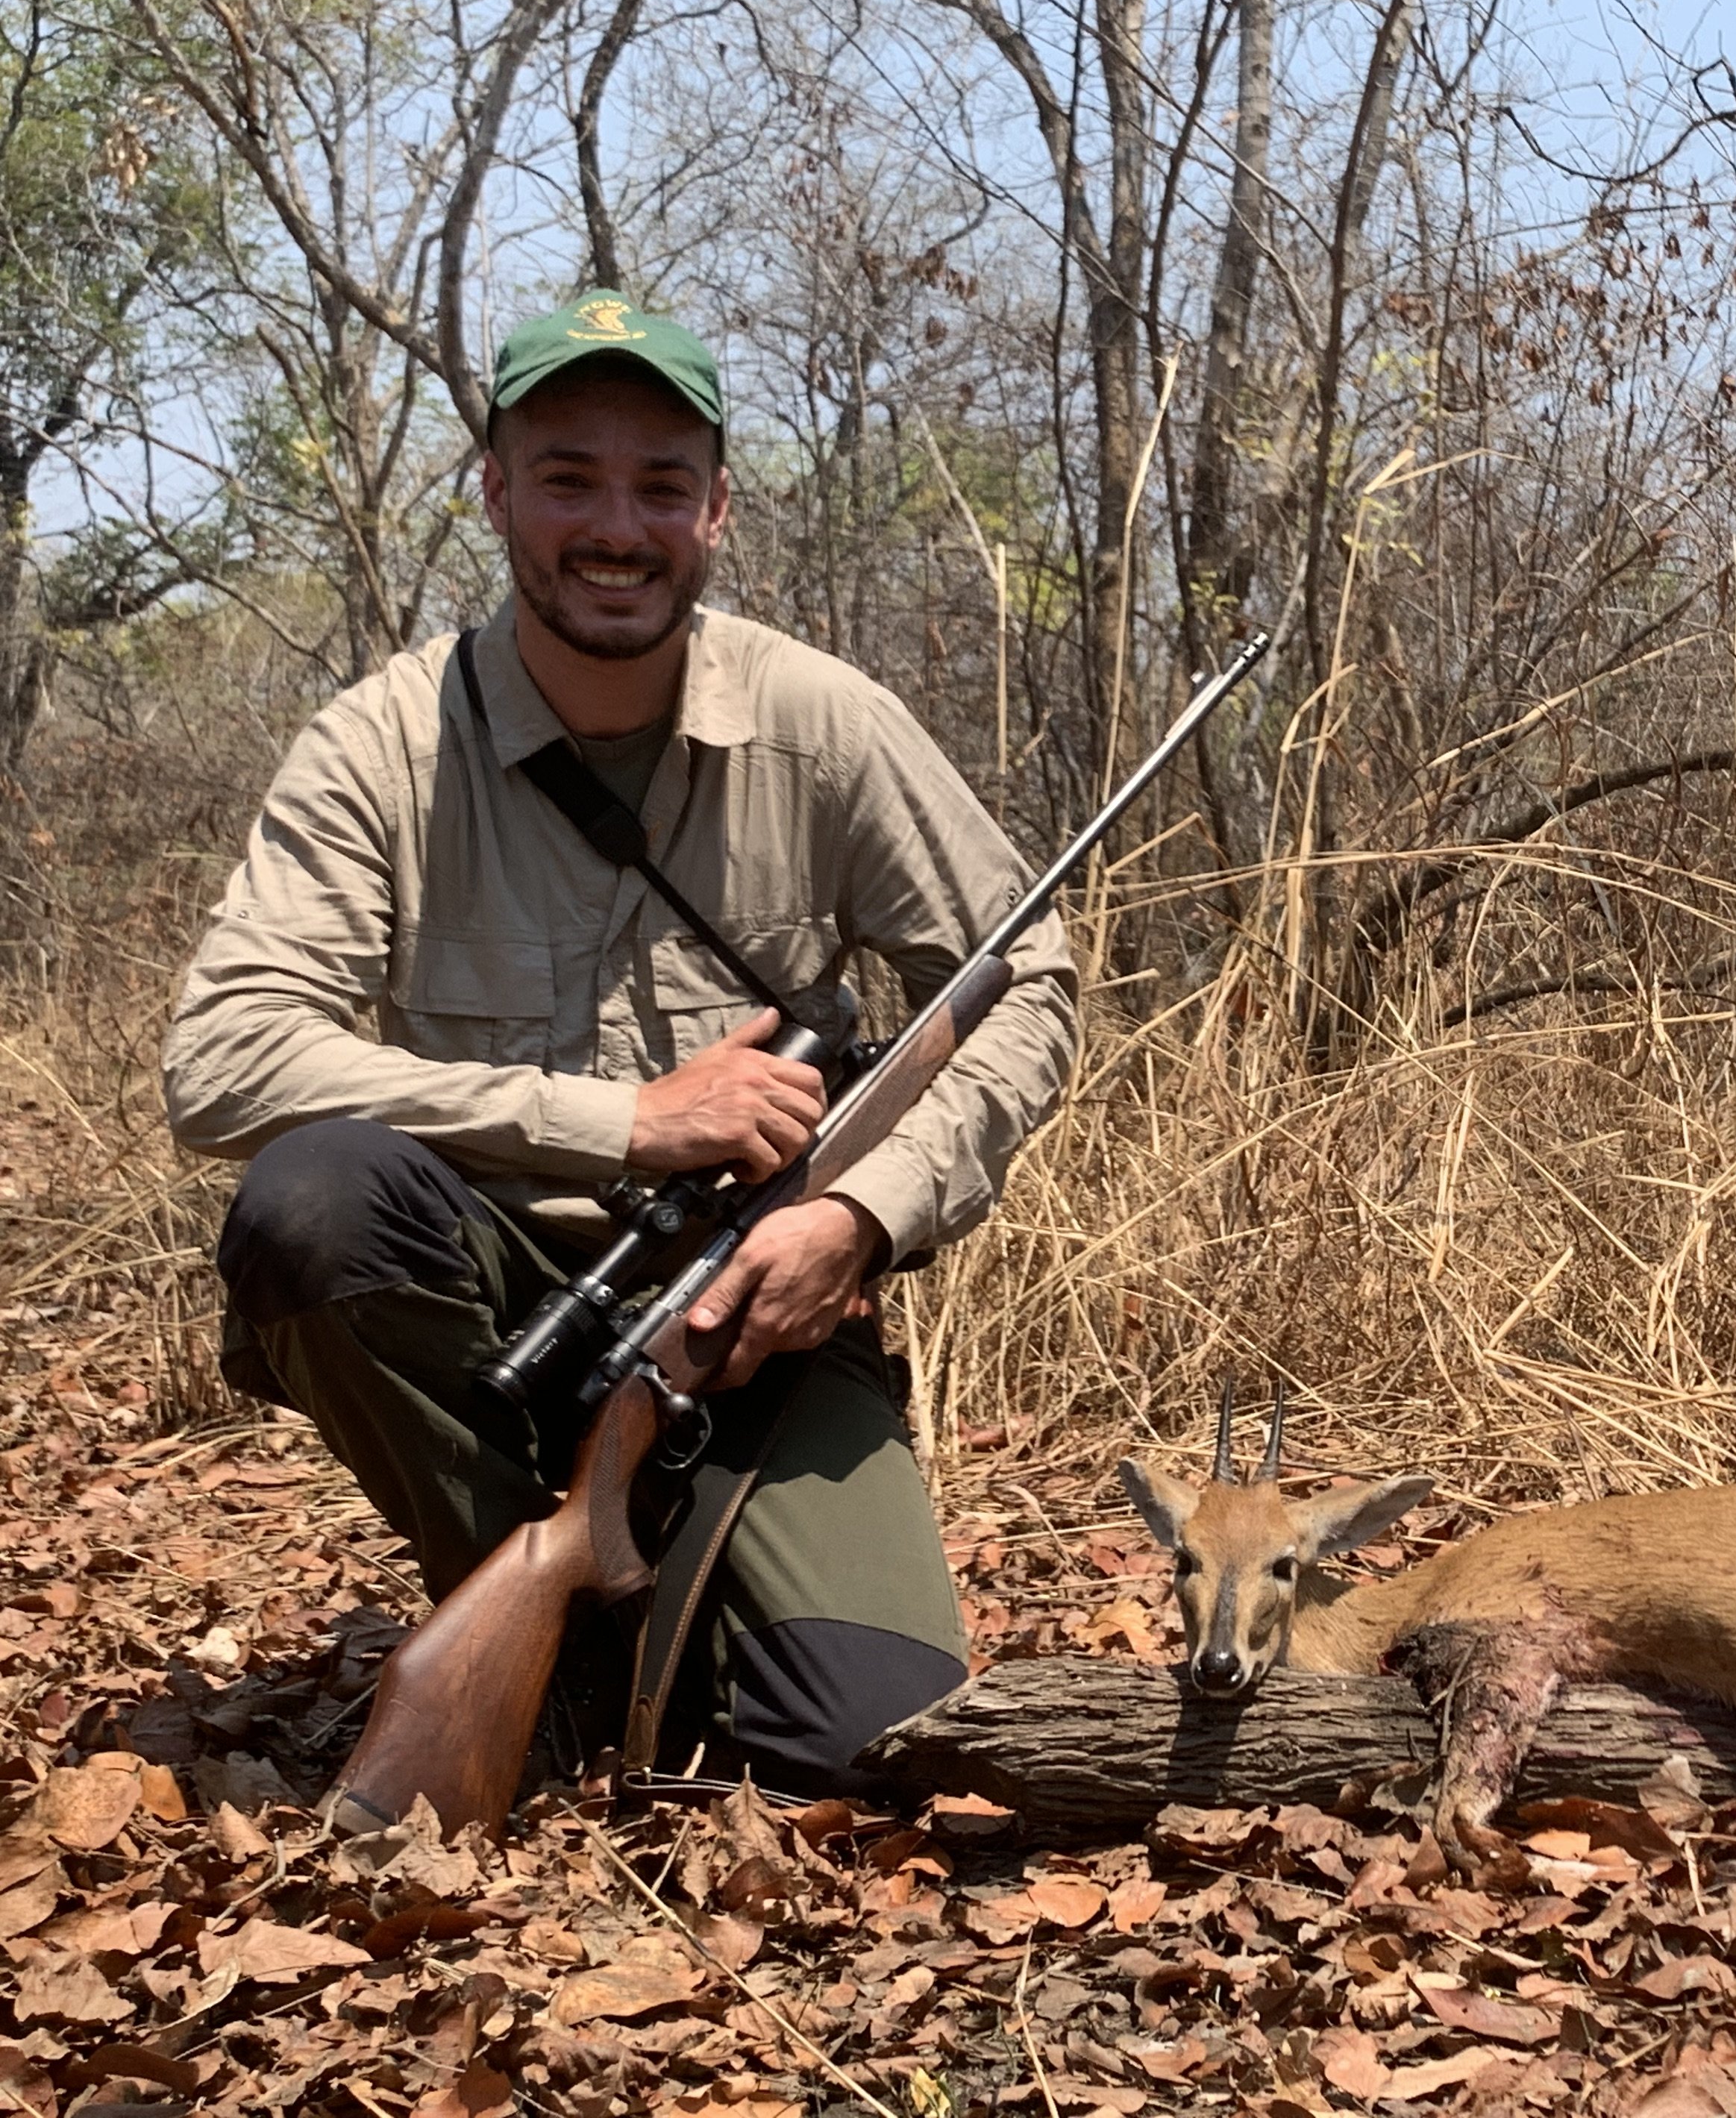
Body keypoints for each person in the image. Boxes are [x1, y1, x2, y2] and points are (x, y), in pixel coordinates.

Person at [162, 292, 1079, 1795]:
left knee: (865, 1748)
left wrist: (863, 1214)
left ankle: (637, 1620)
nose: (617, 526)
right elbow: (222, 1064)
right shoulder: (383, 740)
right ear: (497, 491)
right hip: (492, 1314)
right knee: (311, 1204)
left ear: (715, 509)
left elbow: (1027, 974)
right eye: (570, 476)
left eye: (662, 485)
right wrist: (627, 1124)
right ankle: (559, 1627)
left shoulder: (824, 721)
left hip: (755, 1314)